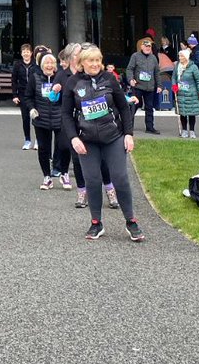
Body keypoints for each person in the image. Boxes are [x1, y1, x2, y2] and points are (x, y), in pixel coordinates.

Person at [62, 45, 145, 242]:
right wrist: (74, 138)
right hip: (87, 141)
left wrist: (128, 134)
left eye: (98, 60)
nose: (95, 64)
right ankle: (96, 223)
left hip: (113, 137)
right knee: (92, 180)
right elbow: (65, 114)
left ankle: (131, 221)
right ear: (81, 63)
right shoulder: (73, 82)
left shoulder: (109, 79)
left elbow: (124, 108)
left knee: (120, 178)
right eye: (91, 61)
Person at [26, 51, 71, 190]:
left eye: (52, 63)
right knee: (44, 149)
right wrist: (32, 109)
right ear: (41, 65)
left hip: (60, 118)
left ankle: (64, 173)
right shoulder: (35, 77)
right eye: (47, 63)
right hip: (41, 119)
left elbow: (69, 96)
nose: (49, 65)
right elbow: (28, 96)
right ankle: (47, 177)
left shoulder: (61, 77)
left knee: (64, 147)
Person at [126, 37, 160, 133]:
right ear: (141, 47)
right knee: (134, 106)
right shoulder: (135, 56)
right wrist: (130, 79)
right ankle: (128, 126)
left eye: (149, 46)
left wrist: (159, 85)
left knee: (149, 108)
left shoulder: (153, 58)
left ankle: (150, 128)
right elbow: (129, 69)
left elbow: (157, 72)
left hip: (150, 87)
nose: (148, 48)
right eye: (146, 46)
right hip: (138, 86)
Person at [172, 47, 199, 138]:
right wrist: (174, 85)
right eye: (179, 56)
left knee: (191, 113)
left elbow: (198, 80)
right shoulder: (177, 66)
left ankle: (192, 131)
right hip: (181, 93)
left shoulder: (193, 67)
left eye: (181, 56)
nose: (180, 58)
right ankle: (184, 131)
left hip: (191, 94)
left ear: (186, 57)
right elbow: (174, 77)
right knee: (182, 113)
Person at [11, 42, 35, 150]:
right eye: (24, 52)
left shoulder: (36, 65)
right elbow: (14, 80)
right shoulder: (17, 65)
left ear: (31, 53)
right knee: (25, 118)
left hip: (34, 94)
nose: (26, 54)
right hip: (22, 94)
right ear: (21, 53)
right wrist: (14, 95)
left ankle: (38, 140)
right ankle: (27, 140)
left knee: (37, 117)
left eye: (27, 52)